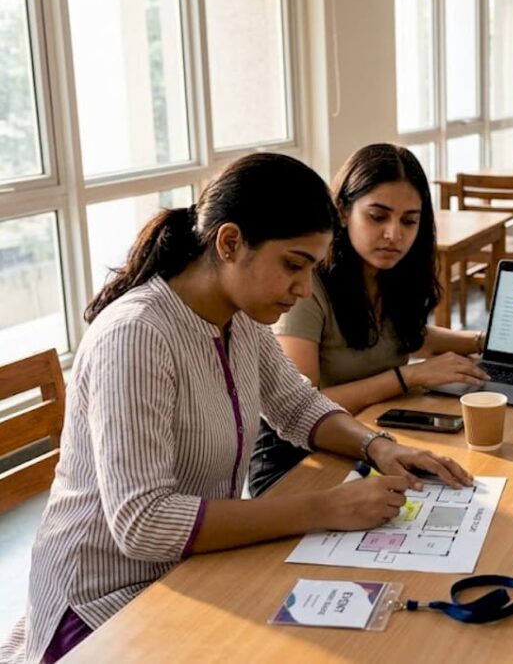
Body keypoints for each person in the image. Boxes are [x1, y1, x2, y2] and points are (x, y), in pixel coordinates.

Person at [1, 153, 471, 664]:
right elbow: (142, 522)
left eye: (313, 269)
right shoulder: (137, 335)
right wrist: (322, 508)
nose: (304, 289)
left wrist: (378, 446)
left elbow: (297, 404)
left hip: (194, 572)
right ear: (229, 243)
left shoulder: (239, 318)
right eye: (293, 265)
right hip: (99, 609)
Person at [248, 144, 488, 496]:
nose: (395, 234)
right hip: (297, 460)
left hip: (369, 436)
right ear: (343, 211)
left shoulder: (390, 273)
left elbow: (407, 335)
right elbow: (304, 404)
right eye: (378, 217)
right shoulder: (306, 284)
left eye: (409, 221)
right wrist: (408, 376)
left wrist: (483, 341)